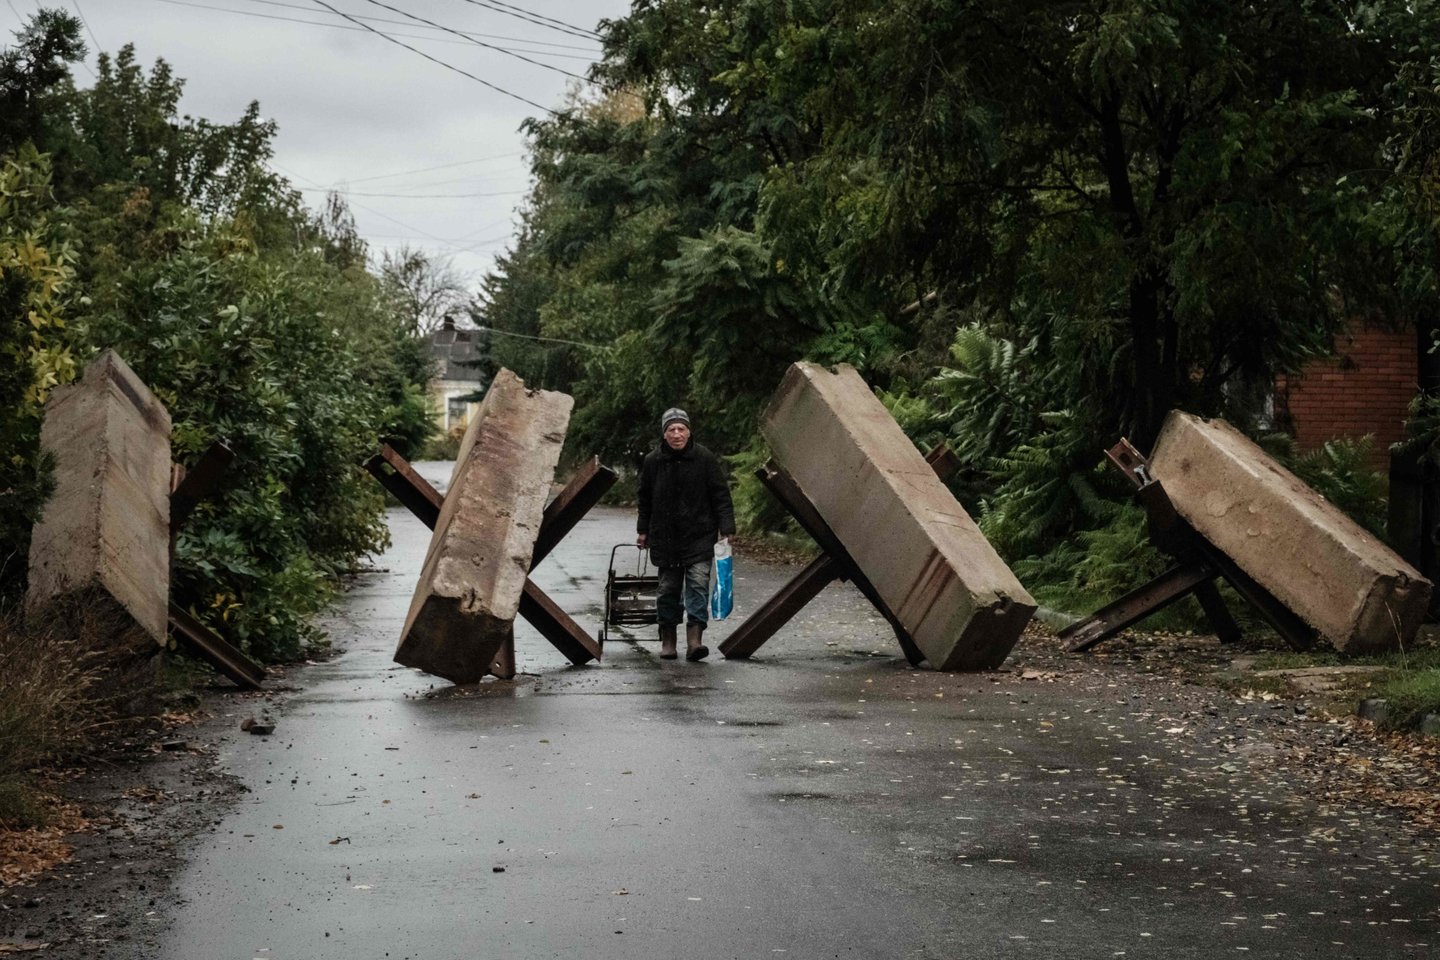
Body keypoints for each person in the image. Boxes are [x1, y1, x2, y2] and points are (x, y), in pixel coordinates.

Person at [636, 407, 736, 661]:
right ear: (664, 433)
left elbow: (720, 495)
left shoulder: (704, 458)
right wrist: (642, 530)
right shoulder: (653, 461)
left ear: (689, 432)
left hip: (699, 536)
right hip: (665, 538)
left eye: (681, 429)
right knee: (668, 589)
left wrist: (727, 528)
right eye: (672, 429)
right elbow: (644, 499)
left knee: (698, 586)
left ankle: (695, 642)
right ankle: (668, 641)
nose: (677, 434)